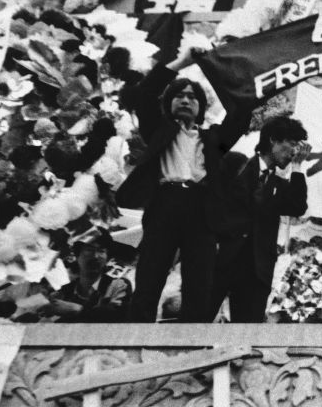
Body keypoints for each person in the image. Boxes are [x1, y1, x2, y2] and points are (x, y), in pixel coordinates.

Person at [116, 44, 250, 322]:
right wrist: (184, 61)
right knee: (151, 272)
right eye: (179, 96)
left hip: (202, 208)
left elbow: (241, 114)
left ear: (201, 107)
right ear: (169, 103)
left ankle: (191, 341)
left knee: (199, 280)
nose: (186, 100)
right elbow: (146, 92)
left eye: (192, 97)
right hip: (165, 202)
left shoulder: (214, 139)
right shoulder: (158, 130)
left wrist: (215, 70)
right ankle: (136, 333)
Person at [211, 115, 310, 322]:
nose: (294, 152)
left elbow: (298, 207)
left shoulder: (279, 183)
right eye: (291, 144)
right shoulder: (235, 164)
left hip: (257, 270)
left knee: (248, 336)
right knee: (198, 322)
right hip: (222, 259)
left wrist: (298, 168)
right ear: (273, 140)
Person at [45, 231, 132, 323]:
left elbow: (118, 317)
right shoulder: (64, 292)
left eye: (101, 251)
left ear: (107, 258)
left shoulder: (118, 285)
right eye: (89, 249)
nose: (95, 256)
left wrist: (79, 310)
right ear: (77, 256)